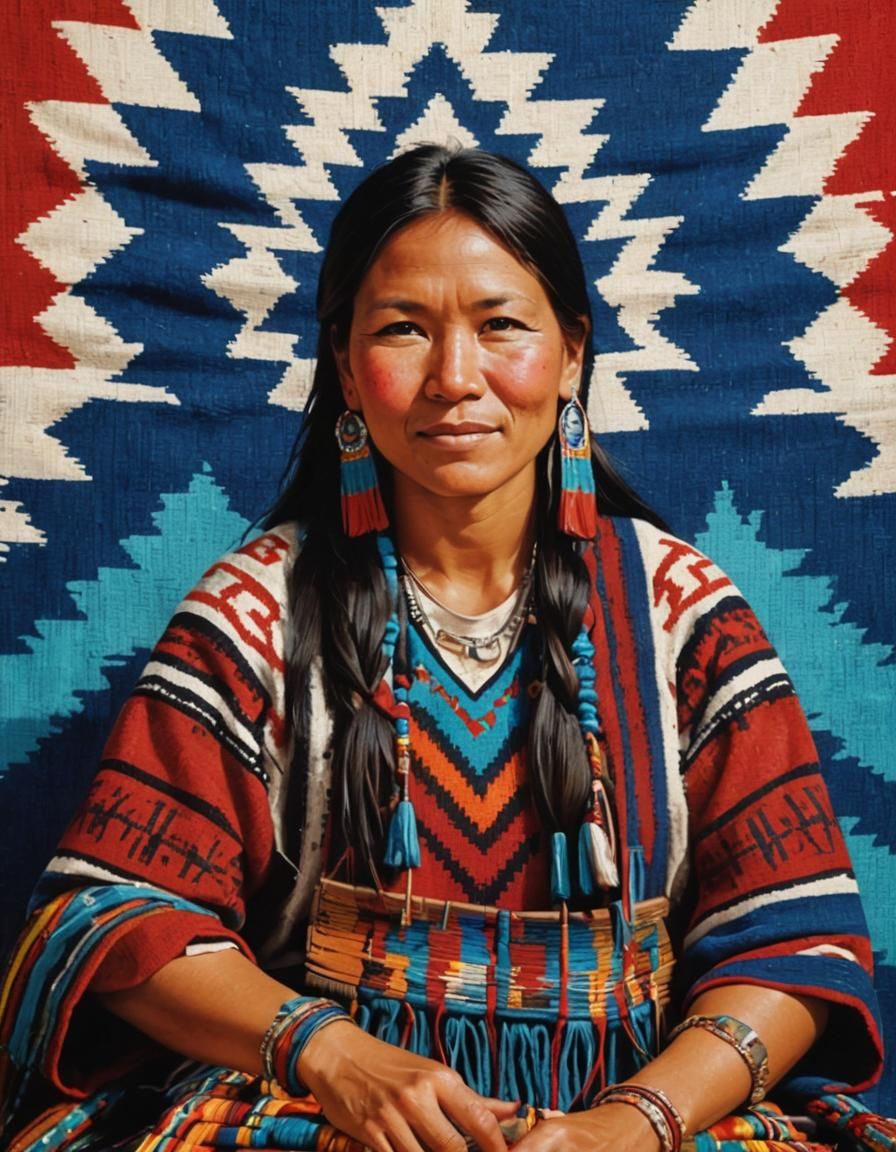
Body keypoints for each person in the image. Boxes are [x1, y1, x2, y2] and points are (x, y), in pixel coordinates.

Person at [0, 145, 888, 1152]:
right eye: (402, 330)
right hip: (316, 1118)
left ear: (571, 354)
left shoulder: (681, 612)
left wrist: (631, 1123)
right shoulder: (253, 615)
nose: (454, 379)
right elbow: (109, 918)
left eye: (501, 325)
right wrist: (330, 1054)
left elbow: (796, 944)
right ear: (345, 368)